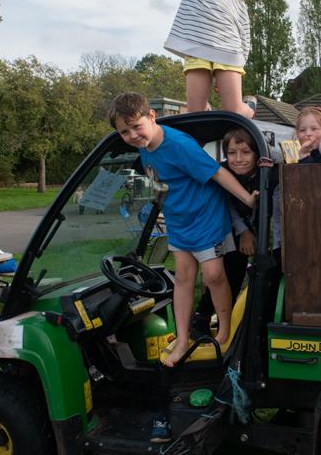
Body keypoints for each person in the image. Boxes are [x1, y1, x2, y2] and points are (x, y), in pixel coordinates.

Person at [106, 92, 257, 368]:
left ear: (151, 117)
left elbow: (216, 173)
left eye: (136, 127)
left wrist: (247, 199)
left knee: (213, 275)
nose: (132, 135)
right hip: (179, 220)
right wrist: (161, 207)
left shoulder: (178, 144)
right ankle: (183, 338)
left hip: (205, 216)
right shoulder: (144, 146)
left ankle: (224, 332)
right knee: (184, 277)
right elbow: (159, 180)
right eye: (124, 132)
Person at [192, 127, 281, 337]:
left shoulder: (269, 173)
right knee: (230, 267)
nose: (238, 159)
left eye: (246, 152)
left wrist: (261, 238)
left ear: (258, 153)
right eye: (232, 153)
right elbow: (226, 204)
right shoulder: (224, 173)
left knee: (268, 270)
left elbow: (273, 211)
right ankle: (204, 316)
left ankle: (259, 316)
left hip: (266, 225)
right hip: (232, 224)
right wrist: (243, 232)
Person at [164, 0, 253, 118]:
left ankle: (250, 108)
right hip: (198, 49)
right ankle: (208, 117)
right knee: (195, 112)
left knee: (234, 110)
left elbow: (245, 32)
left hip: (229, 52)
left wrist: (242, 60)